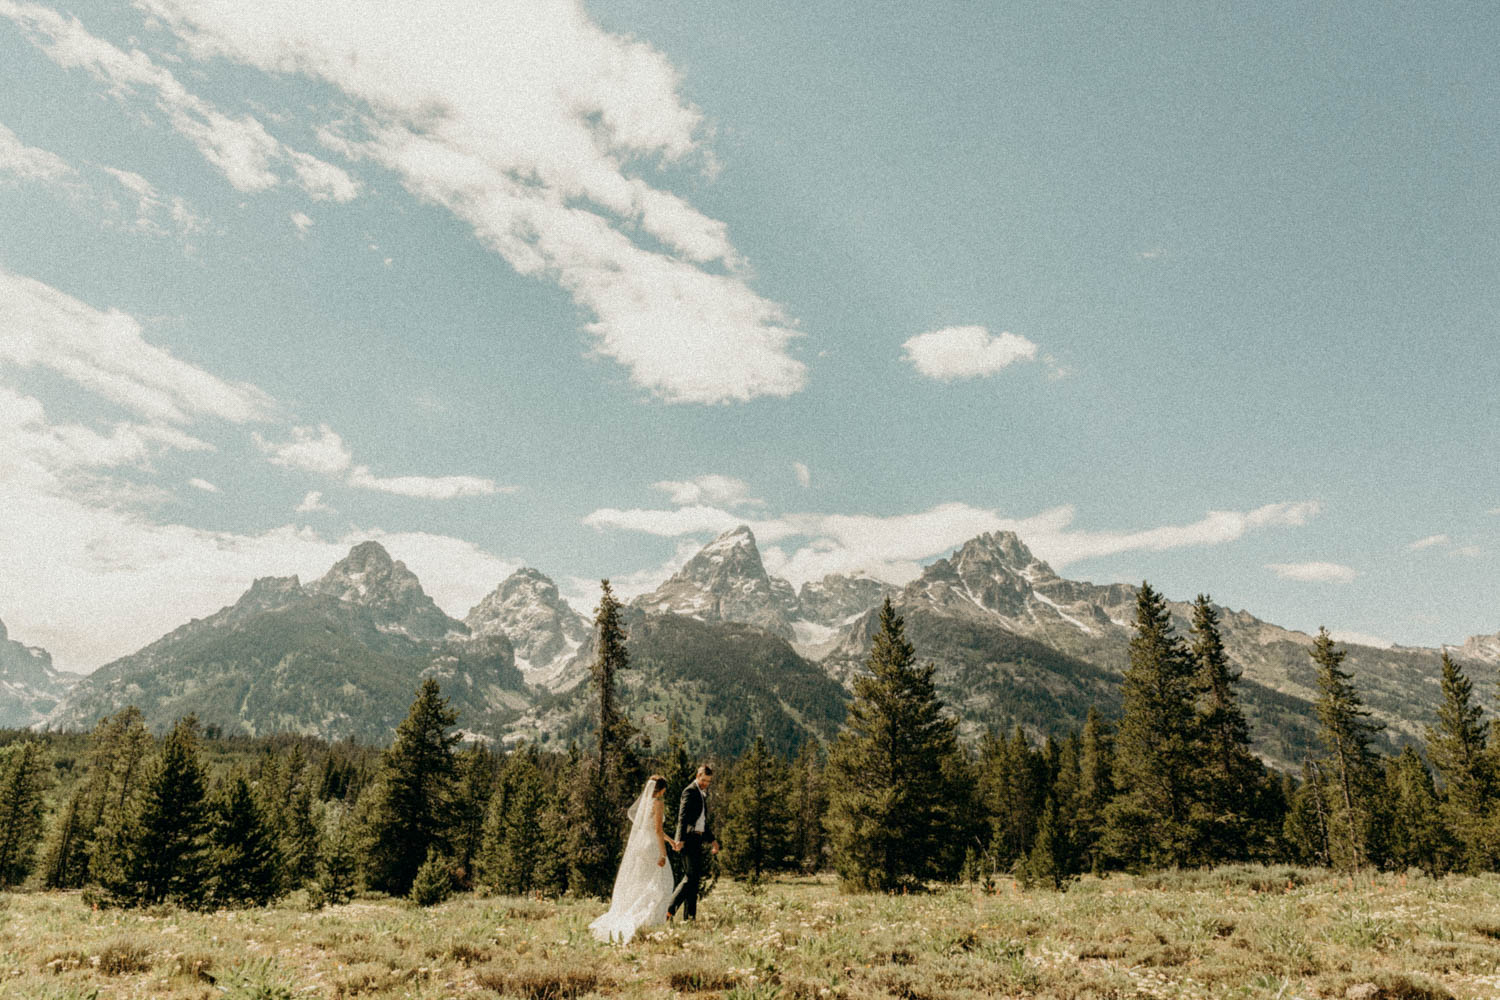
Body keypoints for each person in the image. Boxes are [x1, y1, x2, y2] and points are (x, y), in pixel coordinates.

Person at [589, 774, 681, 944]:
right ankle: (649, 920)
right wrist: (663, 853)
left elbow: (653, 828)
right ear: (662, 789)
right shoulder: (658, 803)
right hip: (652, 845)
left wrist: (671, 841)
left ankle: (640, 916)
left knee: (643, 882)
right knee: (662, 882)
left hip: (642, 845)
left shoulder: (646, 803)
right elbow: (658, 830)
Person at [666, 763, 718, 922]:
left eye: (708, 781)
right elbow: (682, 817)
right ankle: (668, 910)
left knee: (694, 881)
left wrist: (713, 840)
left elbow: (702, 821)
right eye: (703, 780)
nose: (705, 784)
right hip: (688, 840)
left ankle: (689, 918)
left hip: (697, 840)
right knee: (690, 877)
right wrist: (680, 839)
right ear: (697, 776)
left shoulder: (701, 794)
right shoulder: (689, 791)